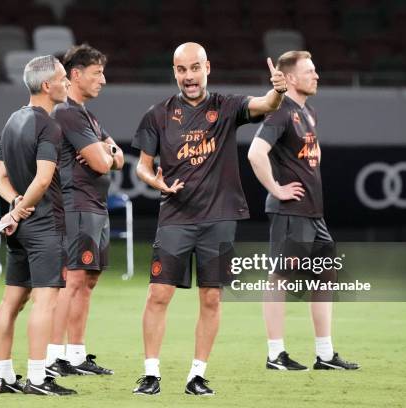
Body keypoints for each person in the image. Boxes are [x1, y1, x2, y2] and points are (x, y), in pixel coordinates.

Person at [131, 42, 287, 396]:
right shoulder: (157, 114)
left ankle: (196, 375)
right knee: (158, 294)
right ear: (175, 72)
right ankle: (151, 374)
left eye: (195, 68)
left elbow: (263, 105)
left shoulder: (227, 106)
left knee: (211, 298)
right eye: (182, 70)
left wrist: (277, 91)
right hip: (175, 217)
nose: (189, 76)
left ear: (207, 68)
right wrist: (156, 181)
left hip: (219, 219)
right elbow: (142, 165)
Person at [247, 50, 360, 371]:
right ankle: (275, 354)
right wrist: (277, 188)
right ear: (292, 78)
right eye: (310, 71)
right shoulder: (280, 111)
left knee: (325, 276)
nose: (317, 75)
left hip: (313, 212)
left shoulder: (307, 111)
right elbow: (256, 154)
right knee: (279, 278)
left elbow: (313, 153)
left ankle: (325, 355)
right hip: (290, 212)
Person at [0, 55, 77, 396]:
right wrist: (20, 209)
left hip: (21, 228)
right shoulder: (48, 126)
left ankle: (5, 377)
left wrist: (14, 204)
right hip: (42, 225)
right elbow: (43, 181)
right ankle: (38, 379)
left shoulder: (13, 120)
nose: (67, 83)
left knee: (11, 301)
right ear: (47, 86)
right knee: (45, 302)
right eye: (62, 78)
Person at [46, 44, 123, 377]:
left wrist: (108, 152)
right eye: (97, 73)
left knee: (87, 280)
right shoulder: (68, 112)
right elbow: (103, 163)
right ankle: (55, 356)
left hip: (93, 205)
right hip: (75, 205)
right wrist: (105, 153)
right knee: (73, 280)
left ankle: (76, 355)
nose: (103, 80)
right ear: (75, 75)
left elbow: (117, 156)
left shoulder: (87, 115)